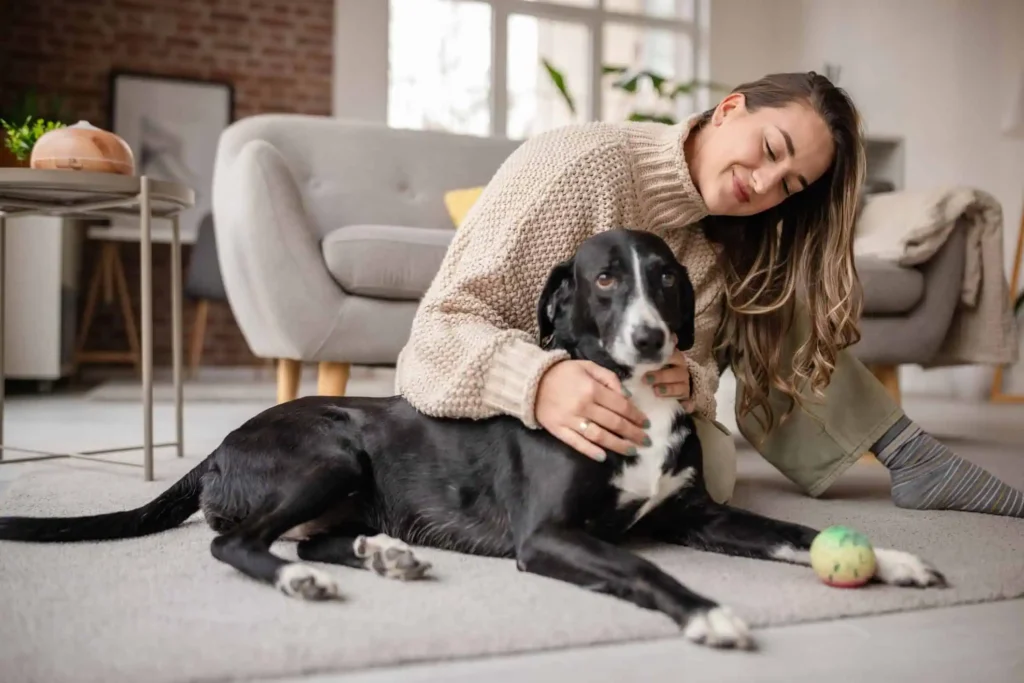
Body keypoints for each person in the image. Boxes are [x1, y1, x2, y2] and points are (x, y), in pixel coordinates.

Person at [395, 71, 1023, 518]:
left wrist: (686, 379)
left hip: (626, 408)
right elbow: (435, 333)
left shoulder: (720, 241)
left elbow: (702, 359)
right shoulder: (579, 166)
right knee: (699, 488)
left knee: (719, 467)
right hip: (511, 415)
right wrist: (537, 381)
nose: (767, 182)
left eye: (792, 184)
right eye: (771, 149)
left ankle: (908, 454)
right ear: (729, 109)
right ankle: (911, 456)